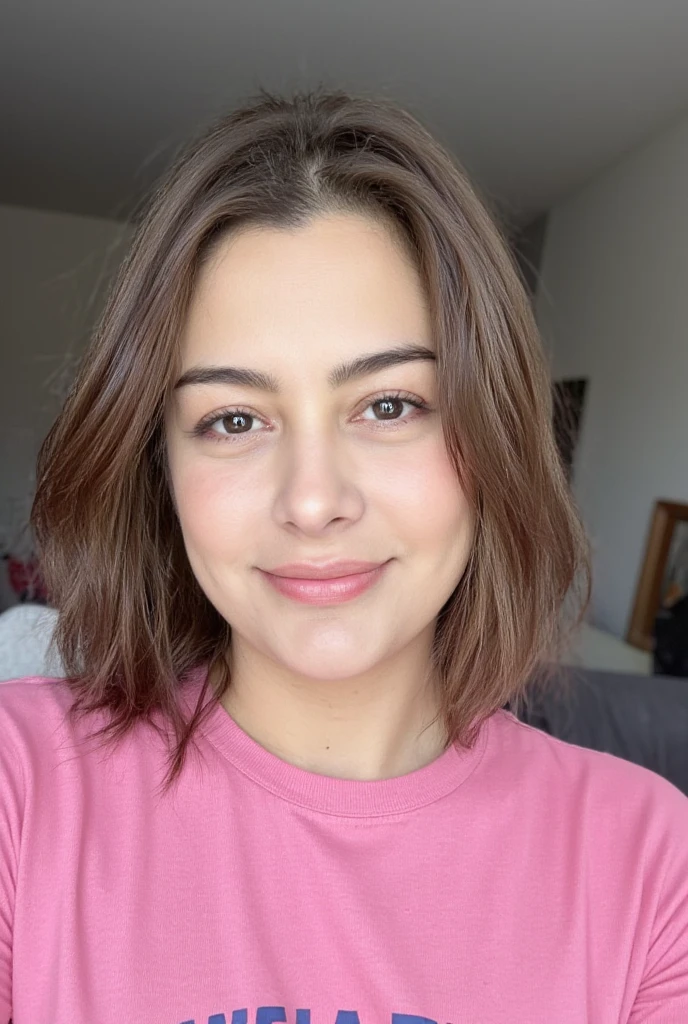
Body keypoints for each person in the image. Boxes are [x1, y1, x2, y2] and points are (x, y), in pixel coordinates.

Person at [1, 91, 686, 1024]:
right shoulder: (20, 789)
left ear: (491, 442)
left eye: (391, 405)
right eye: (234, 419)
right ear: (158, 469)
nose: (314, 500)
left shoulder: (652, 865)